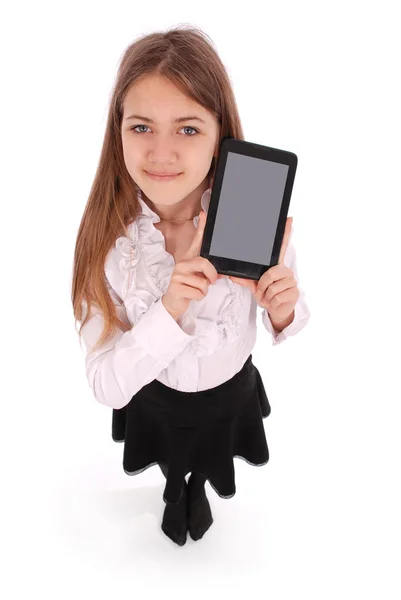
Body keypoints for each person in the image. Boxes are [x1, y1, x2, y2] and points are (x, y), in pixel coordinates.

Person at [71, 26, 311, 547]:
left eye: (187, 129)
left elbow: (288, 309)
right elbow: (107, 384)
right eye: (140, 127)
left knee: (208, 458)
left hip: (228, 394)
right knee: (170, 461)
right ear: (117, 132)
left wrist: (283, 310)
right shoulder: (109, 242)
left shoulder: (253, 212)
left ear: (220, 132)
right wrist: (170, 306)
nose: (161, 153)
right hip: (156, 401)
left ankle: (196, 487)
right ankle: (175, 490)